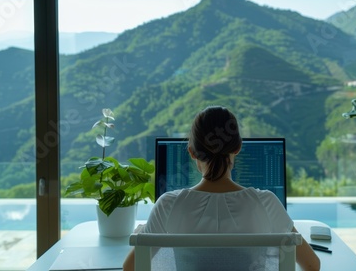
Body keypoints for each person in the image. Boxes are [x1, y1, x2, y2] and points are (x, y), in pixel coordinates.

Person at [123, 106, 320, 271]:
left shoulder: (167, 204)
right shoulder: (266, 202)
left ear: (191, 152)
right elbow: (312, 265)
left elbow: (130, 267)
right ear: (238, 147)